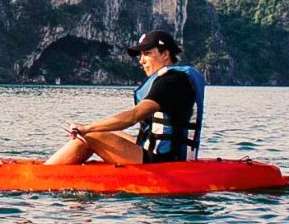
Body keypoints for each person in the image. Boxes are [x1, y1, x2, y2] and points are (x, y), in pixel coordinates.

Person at [47, 28, 204, 166]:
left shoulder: (171, 81)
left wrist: (87, 129)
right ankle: (52, 170)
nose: (141, 61)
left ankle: (44, 174)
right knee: (101, 131)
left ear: (165, 54)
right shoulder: (173, 78)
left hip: (163, 161)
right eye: (140, 55)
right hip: (162, 153)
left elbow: (132, 117)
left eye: (147, 54)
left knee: (91, 134)